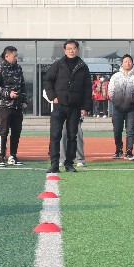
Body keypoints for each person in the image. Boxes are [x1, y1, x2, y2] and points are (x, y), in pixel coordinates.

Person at [43, 39, 92, 173]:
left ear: (77, 49)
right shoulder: (58, 65)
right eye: (68, 48)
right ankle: (54, 164)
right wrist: (53, 97)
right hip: (59, 106)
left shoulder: (83, 66)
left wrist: (85, 107)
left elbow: (87, 88)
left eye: (73, 48)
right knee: (55, 135)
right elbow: (48, 80)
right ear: (64, 50)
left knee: (72, 136)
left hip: (75, 107)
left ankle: (69, 164)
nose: (71, 50)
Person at [0, 45, 28, 167]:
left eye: (16, 56)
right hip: (4, 106)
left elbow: (23, 85)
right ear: (7, 55)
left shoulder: (18, 68)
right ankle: (1, 157)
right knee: (3, 132)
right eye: (14, 56)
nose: (16, 58)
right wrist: (8, 94)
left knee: (16, 132)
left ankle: (13, 156)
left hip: (17, 106)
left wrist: (24, 100)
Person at [108, 54, 134, 160]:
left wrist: (133, 100)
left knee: (130, 131)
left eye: (129, 61)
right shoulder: (115, 76)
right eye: (125, 61)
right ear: (122, 63)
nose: (127, 63)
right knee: (117, 130)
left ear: (132, 63)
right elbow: (110, 91)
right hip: (117, 109)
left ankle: (129, 151)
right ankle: (118, 149)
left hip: (131, 109)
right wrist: (116, 101)